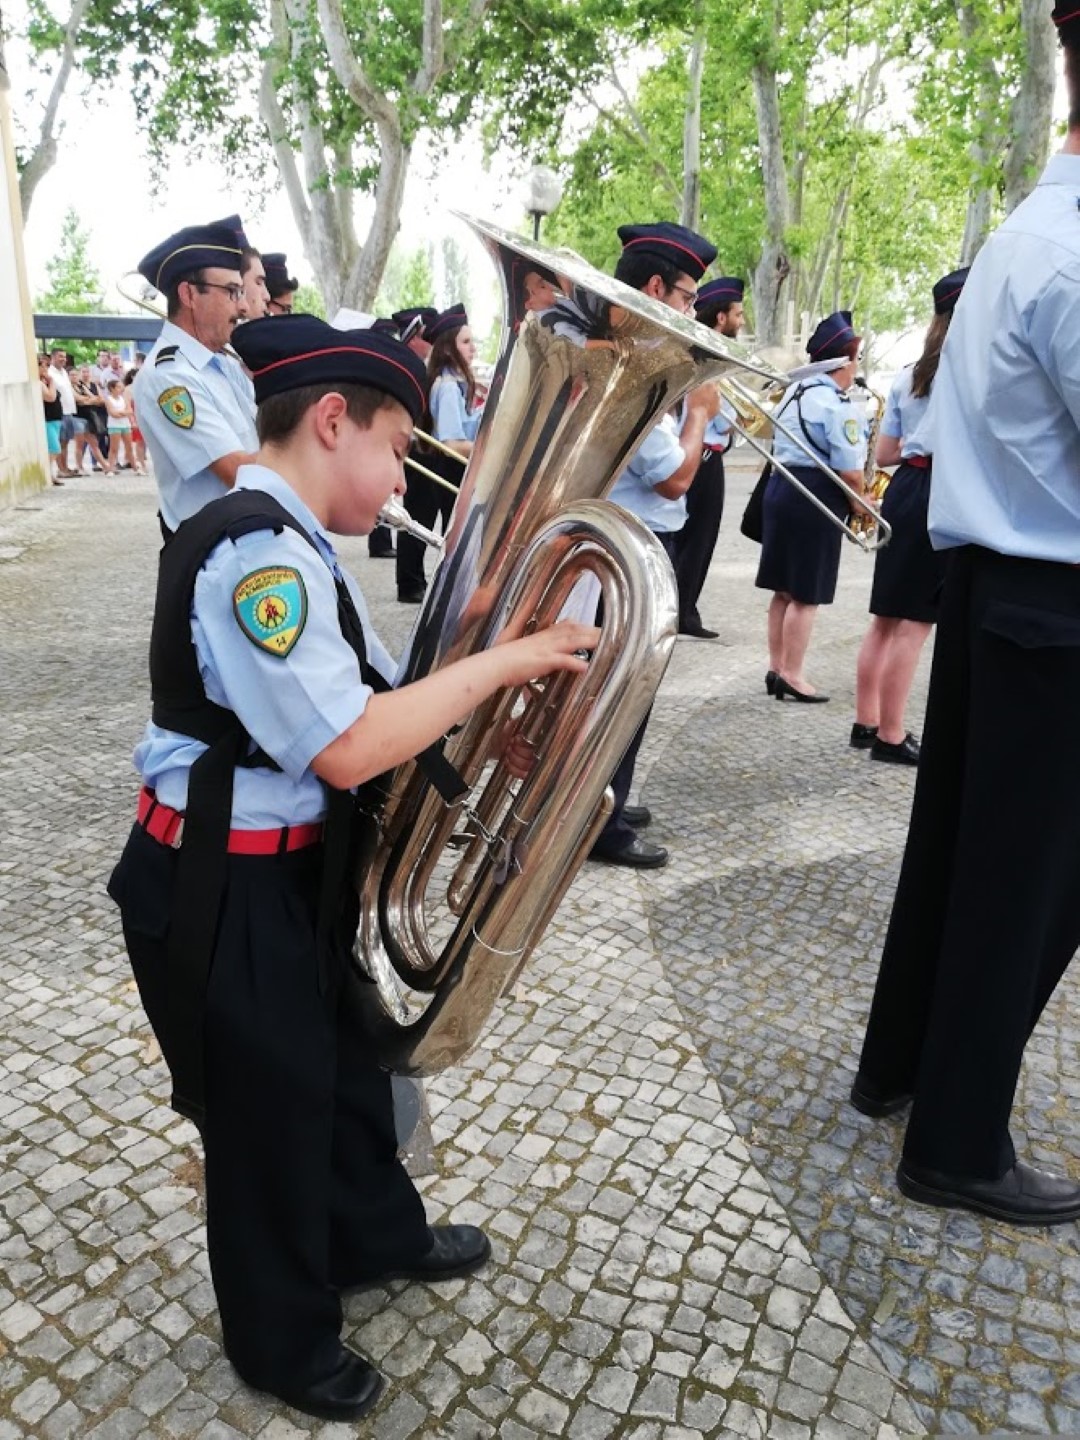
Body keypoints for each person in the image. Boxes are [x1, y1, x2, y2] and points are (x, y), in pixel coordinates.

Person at [107, 313, 599, 1420]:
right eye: (398, 448)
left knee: (344, 1073)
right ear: (333, 422)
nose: (402, 480)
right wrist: (508, 662)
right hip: (221, 891)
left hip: (284, 875)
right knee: (268, 1123)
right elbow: (344, 743)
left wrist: (482, 676)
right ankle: (281, 1341)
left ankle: (374, 1233)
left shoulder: (294, 539)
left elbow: (377, 692)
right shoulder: (255, 554)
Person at [851, 3, 1080, 1228]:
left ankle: (900, 1068)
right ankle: (956, 1139)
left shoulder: (1023, 235)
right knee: (1029, 885)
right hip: (1055, 599)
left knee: (958, 859)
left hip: (1005, 586)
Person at [589, 221, 721, 869]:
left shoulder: (638, 362)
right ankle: (600, 823)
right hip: (630, 549)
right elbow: (674, 477)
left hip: (629, 544)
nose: (691, 311)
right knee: (624, 689)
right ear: (654, 289)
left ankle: (608, 798)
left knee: (623, 687)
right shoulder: (632, 369)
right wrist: (699, 414)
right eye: (687, 297)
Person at [851, 269, 969, 765]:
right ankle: (892, 735)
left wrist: (918, 445)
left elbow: (885, 454)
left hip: (905, 490)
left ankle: (866, 722)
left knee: (885, 619)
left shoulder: (909, 374)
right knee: (915, 624)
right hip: (940, 489)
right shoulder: (968, 372)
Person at [756, 311, 867, 702]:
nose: (857, 369)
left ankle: (776, 668)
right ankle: (793, 674)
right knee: (806, 595)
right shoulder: (838, 405)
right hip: (815, 496)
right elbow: (850, 472)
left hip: (780, 489)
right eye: (856, 360)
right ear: (844, 362)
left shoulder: (792, 393)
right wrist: (863, 507)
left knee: (782, 591)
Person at [133, 221, 259, 534]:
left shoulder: (224, 363)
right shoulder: (170, 377)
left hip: (242, 536)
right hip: (213, 549)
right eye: (232, 292)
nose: (243, 306)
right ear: (189, 294)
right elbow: (238, 471)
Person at [675, 276, 745, 638]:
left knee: (693, 537)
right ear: (721, 317)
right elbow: (715, 414)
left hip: (702, 451)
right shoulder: (709, 357)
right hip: (700, 453)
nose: (741, 321)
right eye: (738, 314)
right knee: (696, 538)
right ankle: (682, 611)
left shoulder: (710, 353)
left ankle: (684, 608)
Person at [396, 303, 477, 604]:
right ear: (448, 348)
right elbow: (452, 442)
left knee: (432, 523)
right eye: (466, 342)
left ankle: (423, 583)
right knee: (426, 524)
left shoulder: (449, 381)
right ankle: (413, 584)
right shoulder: (448, 386)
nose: (473, 348)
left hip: (436, 459)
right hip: (438, 459)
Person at [48, 348, 88, 476]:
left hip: (69, 411)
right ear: (53, 357)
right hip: (60, 412)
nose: (63, 359)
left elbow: (69, 391)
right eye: (60, 356)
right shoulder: (50, 373)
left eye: (64, 357)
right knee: (60, 441)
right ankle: (61, 469)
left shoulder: (64, 372)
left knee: (65, 442)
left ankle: (65, 467)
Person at [39, 353, 66, 484]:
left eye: (47, 365)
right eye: (44, 366)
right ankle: (47, 473)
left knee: (52, 449)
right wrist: (52, 382)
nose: (46, 368)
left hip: (55, 419)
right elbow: (51, 397)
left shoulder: (45, 382)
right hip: (48, 419)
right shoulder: (41, 383)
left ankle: (50, 474)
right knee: (54, 448)